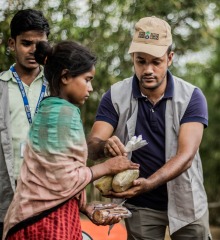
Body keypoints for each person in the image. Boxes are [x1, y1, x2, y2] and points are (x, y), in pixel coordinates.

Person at [87, 16, 212, 240]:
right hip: (139, 206)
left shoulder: (191, 96)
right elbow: (92, 145)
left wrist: (150, 183)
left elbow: (186, 155)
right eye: (141, 61)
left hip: (187, 203)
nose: (148, 69)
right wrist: (105, 146)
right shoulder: (115, 96)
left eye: (156, 61)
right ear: (133, 59)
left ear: (170, 58)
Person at [3, 40, 139, 240]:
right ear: (66, 76)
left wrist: (84, 206)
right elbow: (64, 178)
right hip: (46, 224)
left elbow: (51, 174)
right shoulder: (64, 114)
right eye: (87, 79)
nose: (91, 88)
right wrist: (108, 167)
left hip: (35, 217)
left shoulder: (49, 108)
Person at [0, 9, 50, 239]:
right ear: (12, 43)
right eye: (26, 43)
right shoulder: (1, 86)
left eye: (40, 45)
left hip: (47, 193)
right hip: (7, 193)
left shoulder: (58, 86)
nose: (33, 51)